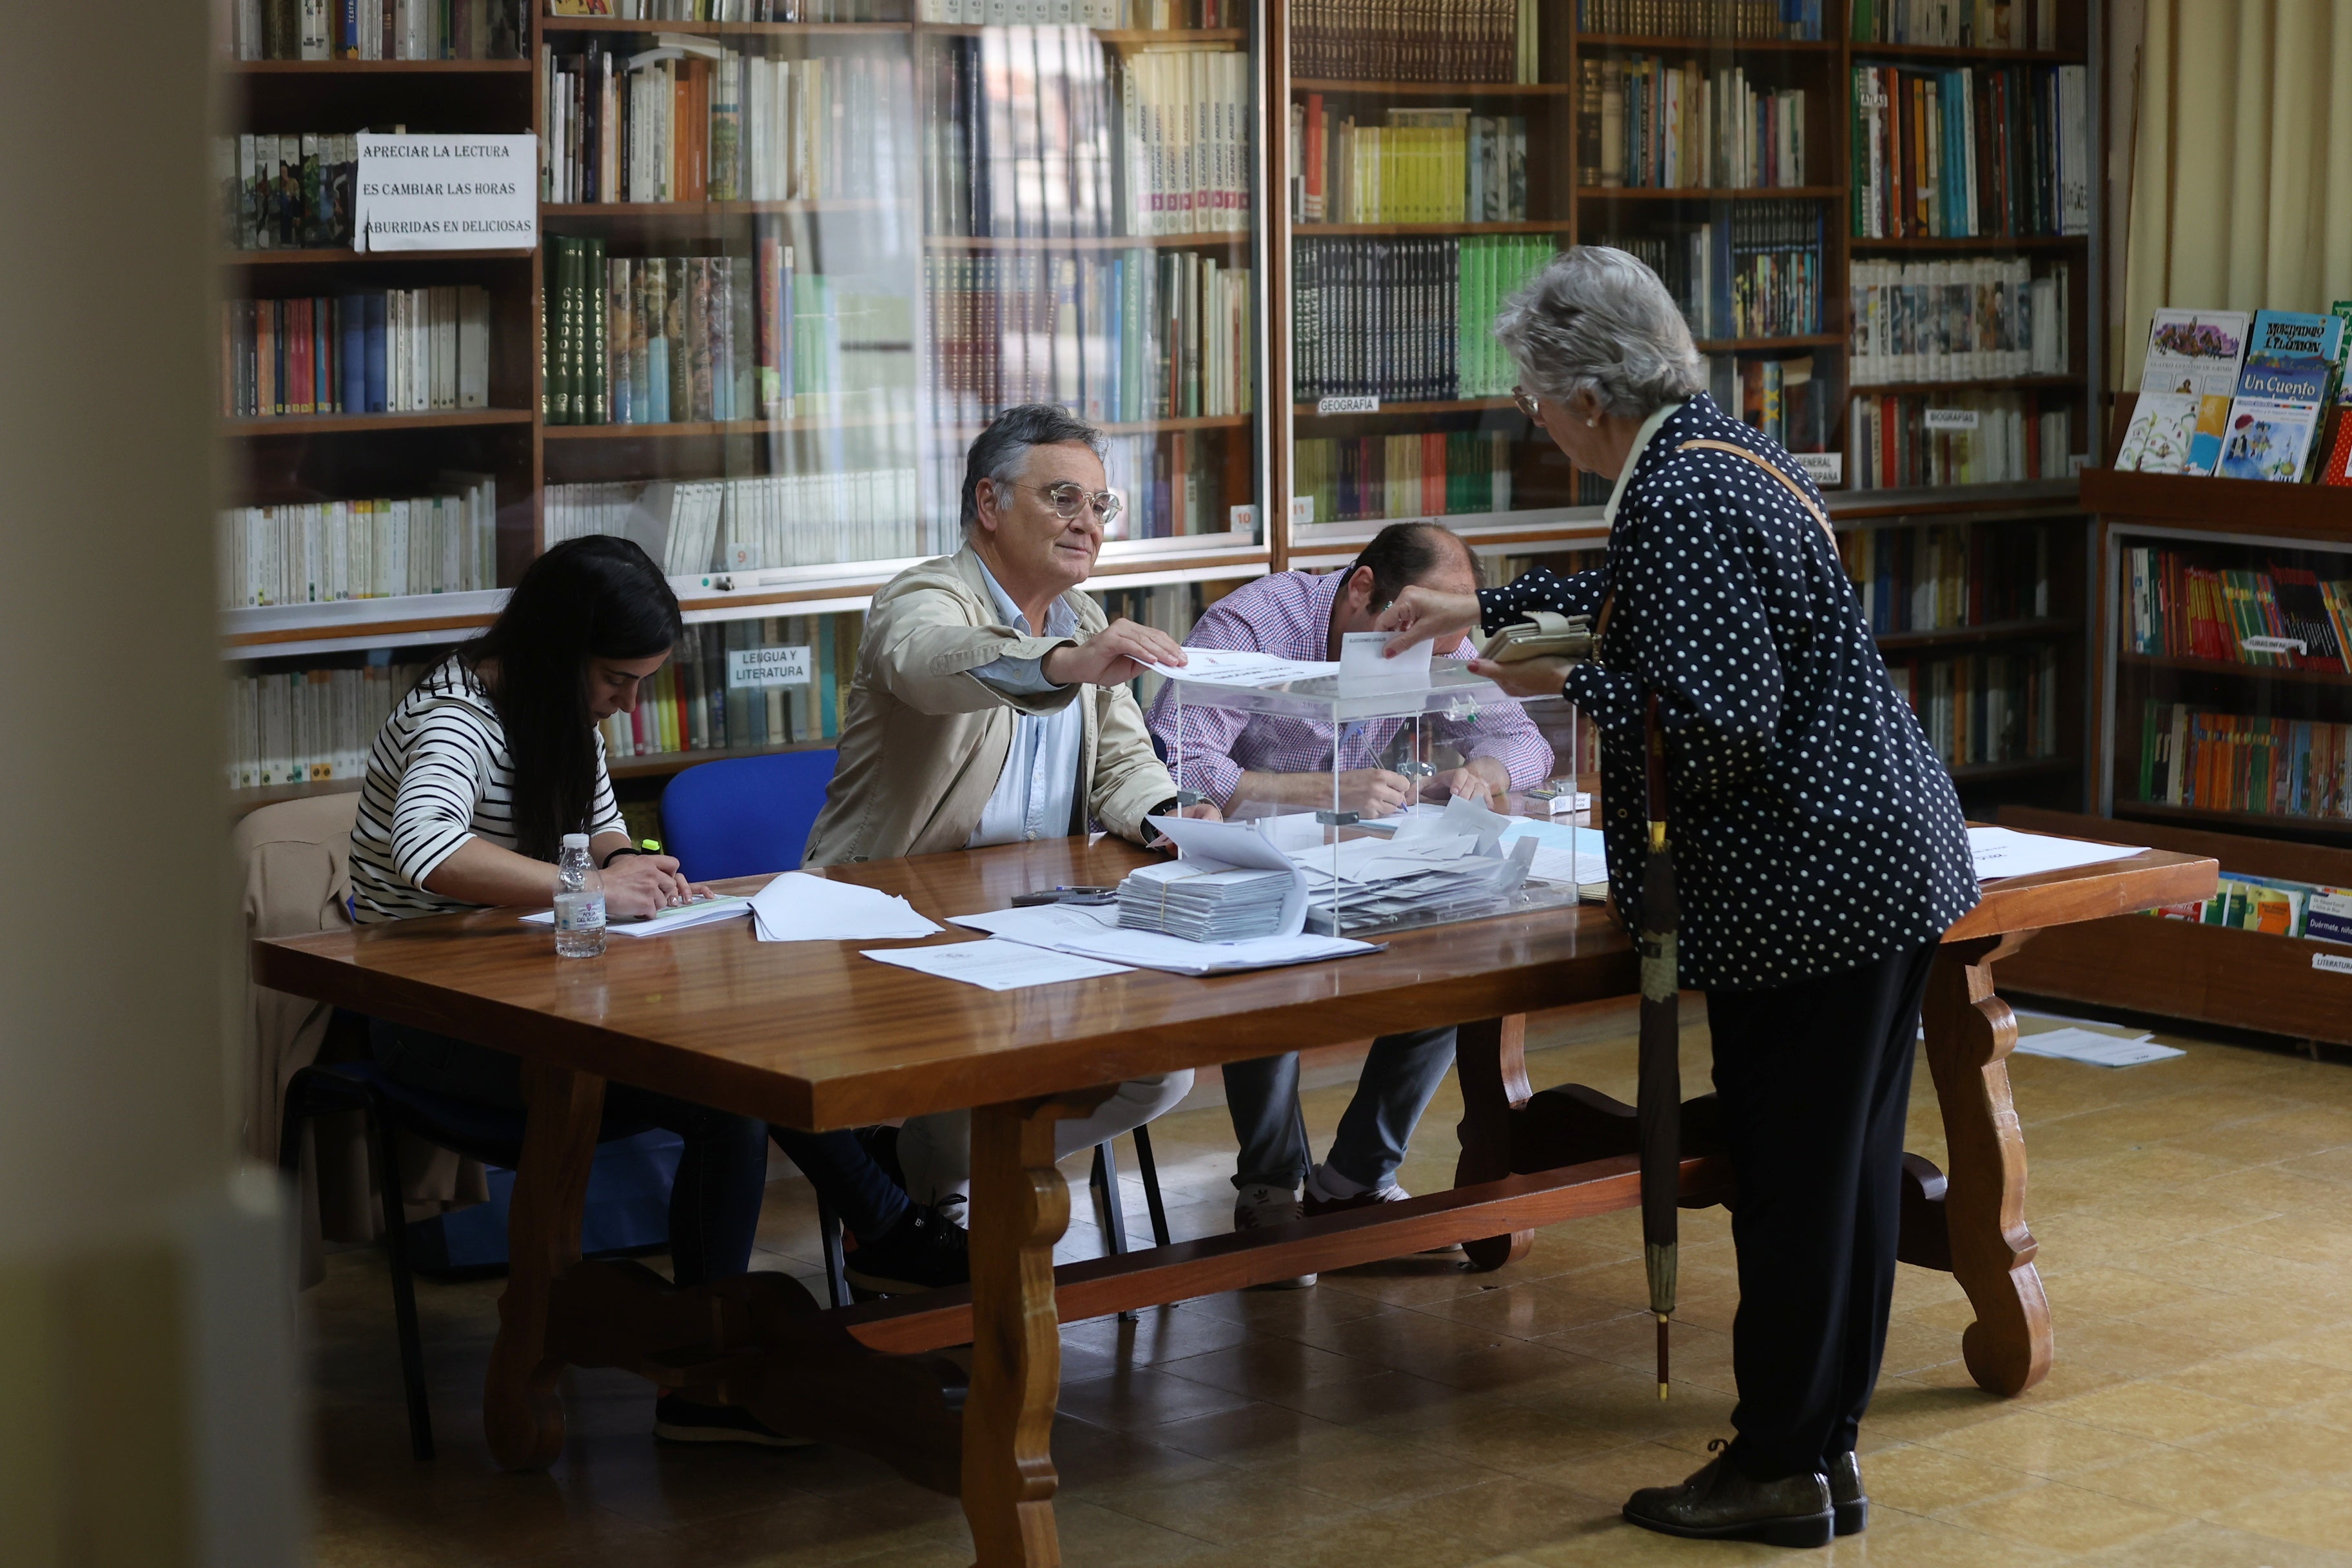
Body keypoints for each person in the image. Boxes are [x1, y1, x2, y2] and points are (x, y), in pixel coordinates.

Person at [1378, 248, 1978, 1549]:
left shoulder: (1680, 497)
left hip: (1809, 884)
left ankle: (1776, 1465)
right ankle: (1821, 1456)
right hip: (1870, 866)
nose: (1533, 422)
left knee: (1796, 1182)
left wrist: (1558, 678)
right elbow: (1655, 612)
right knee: (1843, 1172)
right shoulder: (1716, 456)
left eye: (1534, 399)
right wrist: (1505, 602)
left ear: (1587, 392)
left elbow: (1712, 725)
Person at [344, 536, 945, 1447]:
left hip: (537, 988)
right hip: (432, 1017)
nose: (627, 706)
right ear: (559, 651)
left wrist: (636, 866)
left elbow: (604, 830)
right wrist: (589, 890)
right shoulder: (456, 717)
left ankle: (717, 1364)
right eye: (619, 681)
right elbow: (428, 851)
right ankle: (858, 1249)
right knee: (725, 1093)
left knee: (735, 1077)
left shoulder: (557, 711)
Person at [803, 403, 1208, 1205]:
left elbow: (1124, 759)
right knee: (991, 1053)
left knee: (1162, 1070)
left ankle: (939, 1176)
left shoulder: (1083, 616)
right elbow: (933, 664)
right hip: (900, 920)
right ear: (989, 504)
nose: (1088, 524)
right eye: (1063, 498)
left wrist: (1172, 814)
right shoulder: (922, 598)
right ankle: (941, 1204)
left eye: (1100, 505)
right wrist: (1063, 663)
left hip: (1039, 917)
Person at [1144, 522, 1554, 1284]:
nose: (1424, 649)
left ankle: (1353, 1180)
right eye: (1409, 627)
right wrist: (1322, 792)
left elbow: (1524, 740)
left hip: (1369, 856)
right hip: (1247, 855)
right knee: (1268, 958)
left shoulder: (1435, 635)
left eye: (1440, 634)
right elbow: (1178, 758)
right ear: (1362, 588)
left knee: (1461, 945)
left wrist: (1485, 771)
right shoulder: (1257, 621)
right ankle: (1269, 1186)